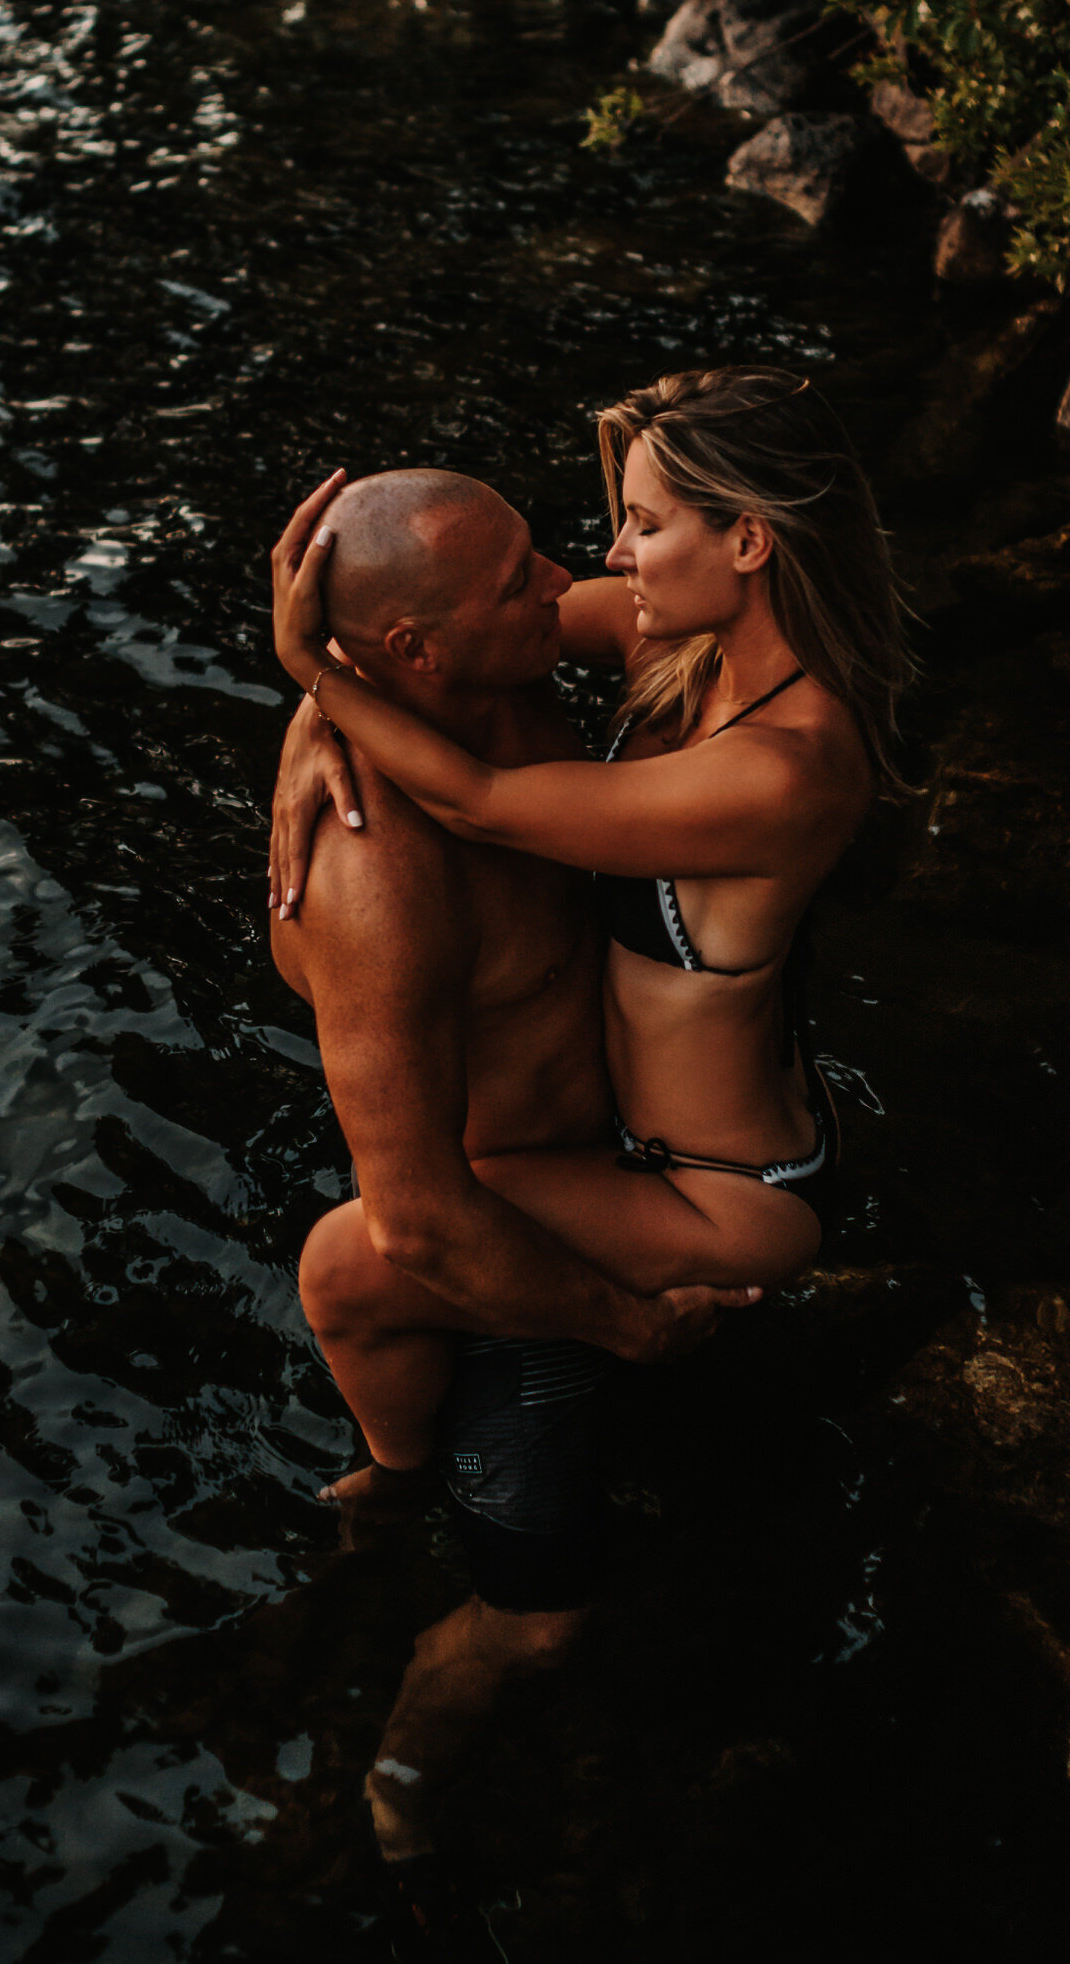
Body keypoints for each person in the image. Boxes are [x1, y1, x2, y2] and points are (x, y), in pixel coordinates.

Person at [269, 367, 912, 1518]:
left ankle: (395, 1490)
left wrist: (308, 669)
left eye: (648, 524)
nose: (608, 555)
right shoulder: (685, 641)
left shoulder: (784, 767)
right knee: (435, 1204)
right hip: (673, 1126)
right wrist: (313, 724)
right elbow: (433, 643)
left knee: (347, 1261)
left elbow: (470, 796)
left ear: (751, 543)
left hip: (721, 1191)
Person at [264, 463, 759, 1918]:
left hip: (566, 1177)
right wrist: (626, 1322)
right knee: (543, 1627)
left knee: (406, 1421)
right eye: (520, 581)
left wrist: (310, 696)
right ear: (414, 653)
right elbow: (419, 1217)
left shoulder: (499, 677)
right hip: (499, 1228)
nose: (566, 582)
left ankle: (385, 1492)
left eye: (541, 556)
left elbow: (692, 599)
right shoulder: (378, 868)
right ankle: (405, 1767)